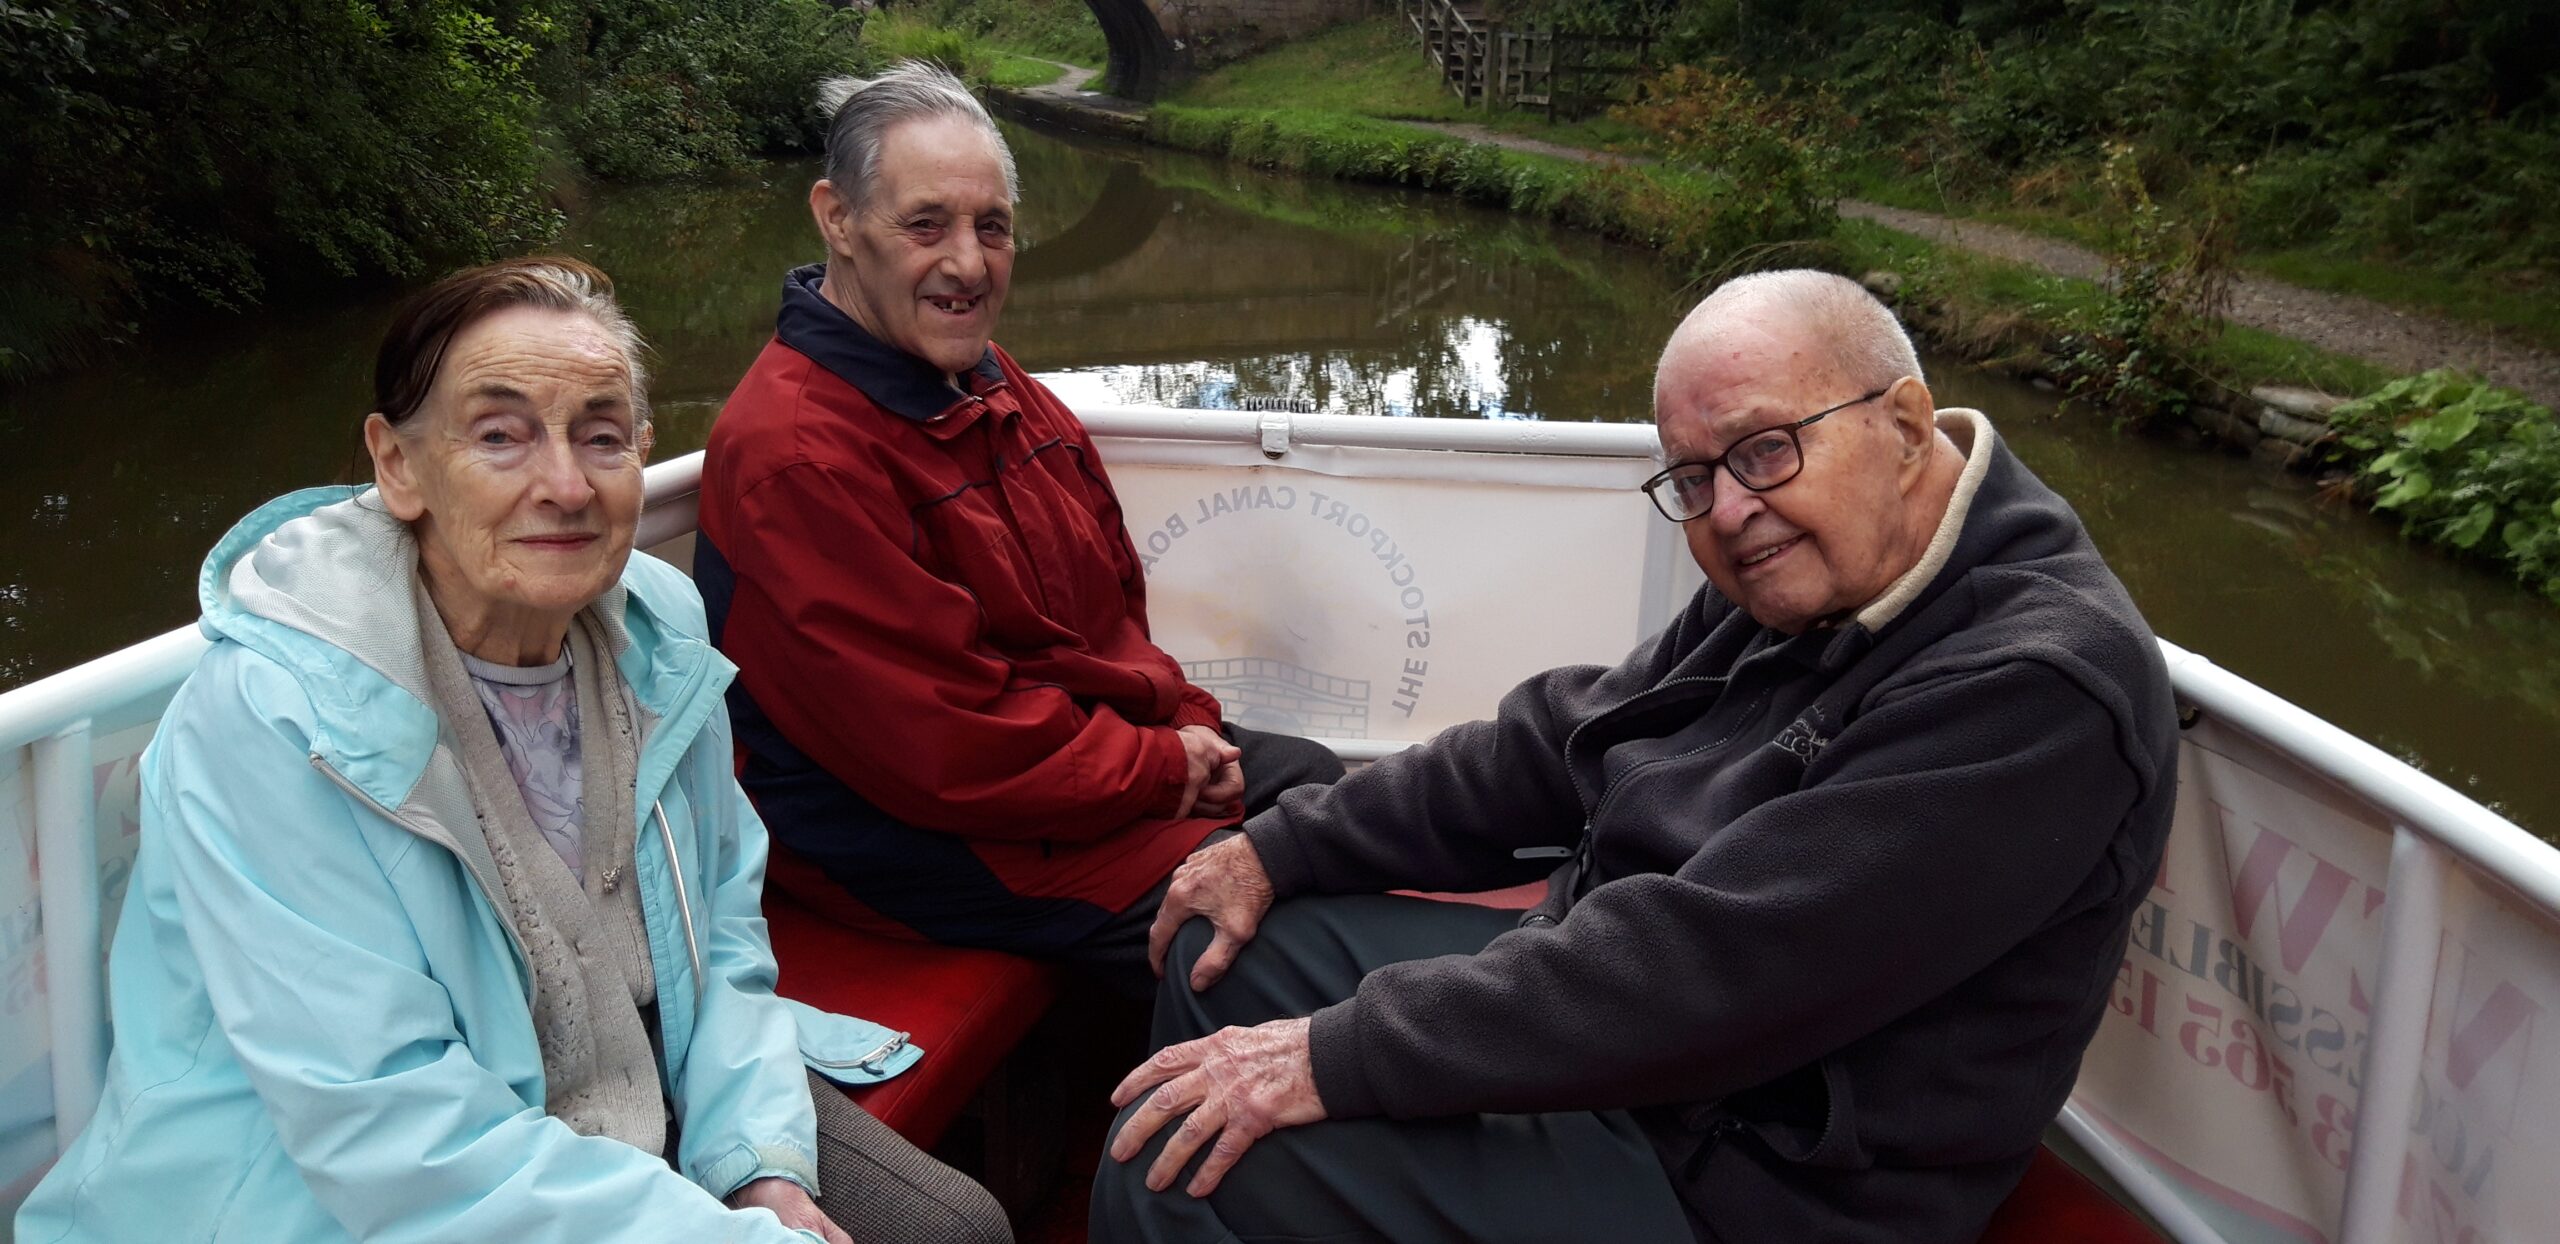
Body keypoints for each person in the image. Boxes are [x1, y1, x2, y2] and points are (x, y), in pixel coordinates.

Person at [1093, 270, 2182, 1244]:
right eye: (1694, 478)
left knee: (1174, 1164)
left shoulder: (2036, 686)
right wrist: (1278, 847)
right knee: (1230, 947)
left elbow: (1710, 968)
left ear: (1902, 423)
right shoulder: (1814, 565)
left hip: (1752, 1174)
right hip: (1637, 1048)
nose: (1731, 510)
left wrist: (1337, 1058)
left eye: (1764, 449)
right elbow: (1565, 741)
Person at [14, 259, 1010, 1244]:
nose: (566, 484)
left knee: (955, 1226)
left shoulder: (656, 630)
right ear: (398, 464)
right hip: (323, 1190)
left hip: (628, 1077)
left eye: (602, 436)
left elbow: (721, 930)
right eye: (501, 436)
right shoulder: (276, 717)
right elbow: (391, 1128)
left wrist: (757, 1162)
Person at [694, 62, 1341, 982]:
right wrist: (1165, 767)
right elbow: (942, 746)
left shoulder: (986, 381)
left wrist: (1186, 725)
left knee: (1323, 794)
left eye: (990, 227)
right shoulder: (797, 455)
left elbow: (1111, 614)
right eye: (926, 225)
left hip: (1050, 775)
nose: (967, 263)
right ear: (837, 218)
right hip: (919, 843)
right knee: (1280, 937)